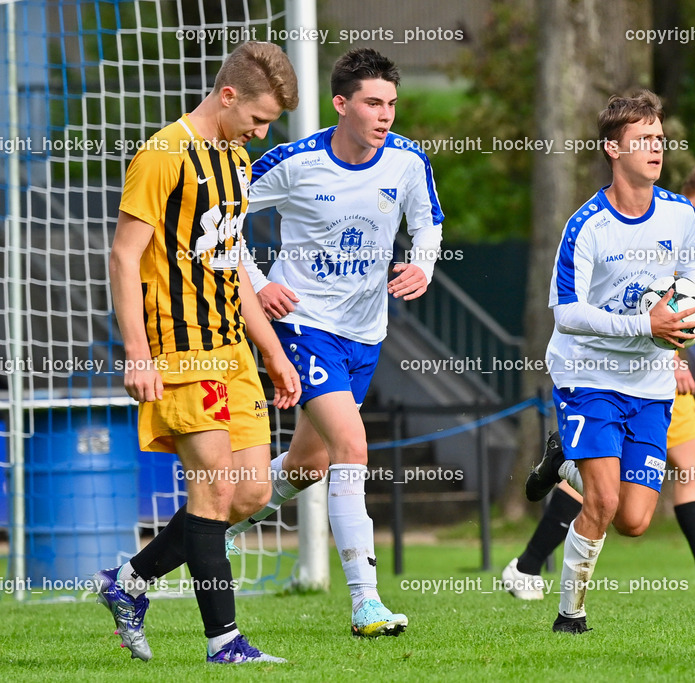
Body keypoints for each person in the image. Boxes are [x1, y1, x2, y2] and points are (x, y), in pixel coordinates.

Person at [95, 41, 302, 664]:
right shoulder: (163, 154)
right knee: (212, 490)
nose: (261, 132)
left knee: (249, 496)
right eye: (258, 119)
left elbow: (232, 260)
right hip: (178, 349)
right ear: (229, 94)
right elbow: (124, 255)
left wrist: (271, 351)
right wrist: (137, 353)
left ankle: (127, 582)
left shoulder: (236, 157)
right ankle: (225, 643)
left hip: (232, 348)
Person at [228, 47, 444, 638]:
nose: (385, 116)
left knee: (307, 463)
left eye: (392, 104)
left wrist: (422, 265)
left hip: (365, 333)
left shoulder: (406, 162)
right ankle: (366, 603)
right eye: (373, 103)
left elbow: (428, 223)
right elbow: (225, 217)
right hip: (304, 325)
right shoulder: (294, 162)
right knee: (352, 444)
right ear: (341, 104)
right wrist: (261, 281)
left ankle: (209, 529)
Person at [504, 155, 695, 605]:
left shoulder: (681, 229)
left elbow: (676, 309)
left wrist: (682, 343)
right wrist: (678, 358)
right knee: (670, 469)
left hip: (653, 374)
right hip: (621, 371)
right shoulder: (650, 225)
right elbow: (641, 308)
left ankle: (531, 561)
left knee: (645, 490)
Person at [520, 90, 695, 634]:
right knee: (600, 501)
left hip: (648, 383)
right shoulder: (587, 226)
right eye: (642, 140)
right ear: (612, 149)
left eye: (659, 139)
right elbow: (566, 313)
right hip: (588, 375)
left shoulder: (680, 215)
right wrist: (642, 326)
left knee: (634, 520)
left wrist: (692, 316)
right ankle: (570, 615)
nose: (655, 149)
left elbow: (693, 279)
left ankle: (565, 458)